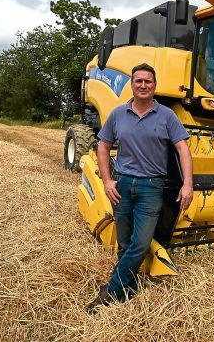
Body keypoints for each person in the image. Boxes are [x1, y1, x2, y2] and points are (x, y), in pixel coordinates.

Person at [86, 63, 193, 314]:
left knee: (141, 243)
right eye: (139, 81)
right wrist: (107, 180)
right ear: (132, 85)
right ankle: (127, 289)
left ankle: (109, 292)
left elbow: (183, 149)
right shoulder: (117, 114)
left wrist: (188, 184)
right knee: (124, 243)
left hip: (151, 187)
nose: (143, 85)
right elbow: (103, 146)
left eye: (148, 81)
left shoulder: (167, 115)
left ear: (155, 86)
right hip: (121, 185)